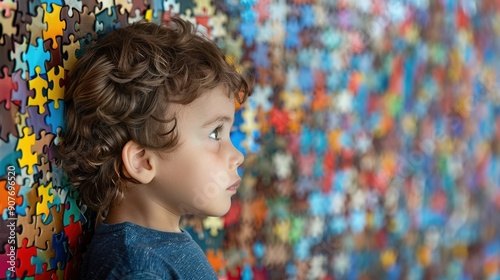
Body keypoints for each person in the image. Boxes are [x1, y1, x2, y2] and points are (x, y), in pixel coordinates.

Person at [57, 17, 251, 279]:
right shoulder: (138, 269)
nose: (237, 156)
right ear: (142, 162)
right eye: (216, 133)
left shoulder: (157, 247)